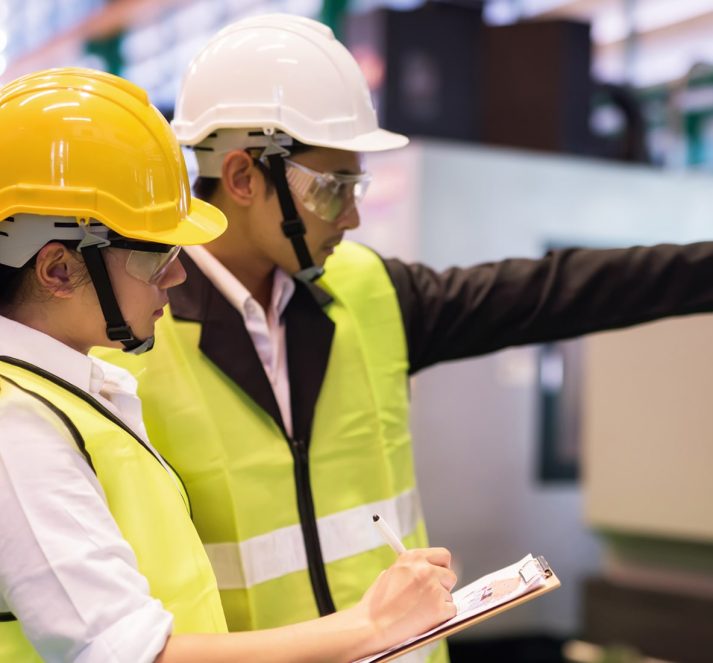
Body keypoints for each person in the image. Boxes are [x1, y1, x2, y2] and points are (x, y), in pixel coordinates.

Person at [101, 13, 713, 663]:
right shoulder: (126, 344)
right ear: (245, 177)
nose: (355, 216)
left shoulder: (366, 292)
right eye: (333, 190)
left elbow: (553, 290)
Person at [0, 67, 457, 663]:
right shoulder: (17, 430)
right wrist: (372, 625)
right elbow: (134, 655)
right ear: (58, 269)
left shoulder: (62, 397)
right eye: (158, 255)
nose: (180, 273)